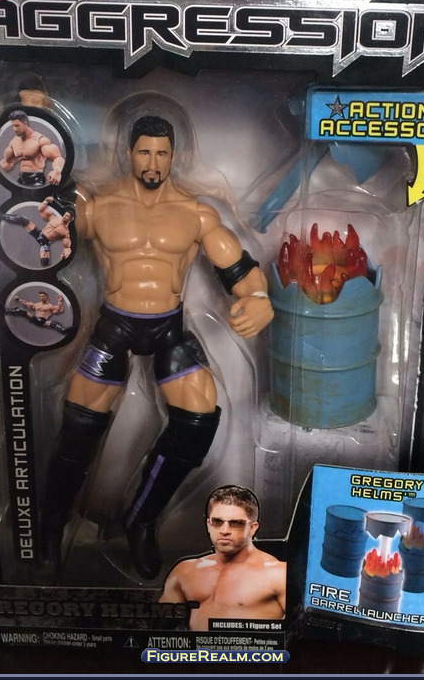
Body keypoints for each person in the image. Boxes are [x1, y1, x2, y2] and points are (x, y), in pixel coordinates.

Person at [39, 115, 274, 581]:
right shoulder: (97, 208)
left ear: (173, 157)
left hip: (167, 326)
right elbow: (38, 215)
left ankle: (141, 519)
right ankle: (50, 527)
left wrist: (259, 299)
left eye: (161, 153)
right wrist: (35, 124)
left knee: (199, 417)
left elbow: (240, 269)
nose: (153, 162)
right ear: (130, 153)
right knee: (79, 426)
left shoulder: (194, 213)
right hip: (116, 325)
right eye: (145, 151)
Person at [160, 485, 286, 630]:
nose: (225, 530)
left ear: (252, 528)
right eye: (217, 522)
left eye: (236, 523)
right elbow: (159, 629)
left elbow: (299, 632)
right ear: (208, 525)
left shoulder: (278, 574)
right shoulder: (185, 572)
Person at [0, 197, 74, 267]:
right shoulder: (54, 218)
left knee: (45, 262)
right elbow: (40, 209)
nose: (64, 216)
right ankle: (0, 215)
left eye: (67, 216)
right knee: (22, 219)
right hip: (39, 234)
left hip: (45, 242)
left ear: (70, 219)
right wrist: (46, 201)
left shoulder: (65, 232)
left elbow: (67, 247)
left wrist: (66, 254)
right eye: (65, 214)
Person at [0, 109, 65, 187]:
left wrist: (57, 171)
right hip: (21, 178)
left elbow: (57, 158)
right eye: (13, 126)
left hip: (36, 178)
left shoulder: (40, 140)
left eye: (17, 125)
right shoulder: (14, 142)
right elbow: (7, 162)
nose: (14, 129)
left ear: (25, 123)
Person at [5, 290, 69, 335]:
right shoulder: (37, 304)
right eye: (40, 296)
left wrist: (59, 301)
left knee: (54, 323)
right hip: (36, 319)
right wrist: (19, 299)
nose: (41, 298)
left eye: (43, 296)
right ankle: (7, 311)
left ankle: (63, 330)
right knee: (21, 311)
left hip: (43, 321)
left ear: (46, 296)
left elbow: (59, 310)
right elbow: (26, 303)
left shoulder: (50, 306)